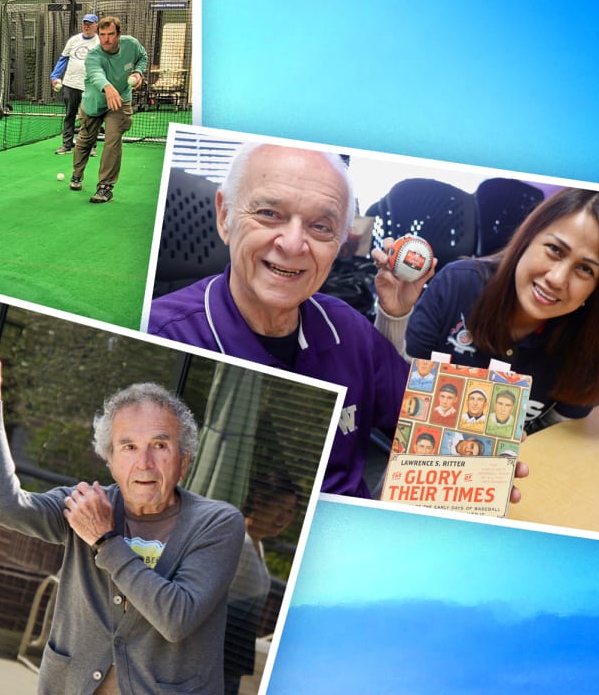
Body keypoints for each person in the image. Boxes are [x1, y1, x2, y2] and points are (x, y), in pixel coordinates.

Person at [0, 339, 242, 695]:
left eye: (160, 445)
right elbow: (3, 506)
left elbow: (177, 617)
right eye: (129, 446)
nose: (145, 462)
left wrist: (105, 540)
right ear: (111, 460)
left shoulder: (217, 523)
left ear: (185, 459)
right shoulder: (85, 504)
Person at [147, 144, 422, 499]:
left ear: (340, 243)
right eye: (269, 213)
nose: (293, 245)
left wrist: (485, 471)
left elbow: (424, 425)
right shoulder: (160, 337)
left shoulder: (347, 327)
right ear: (224, 215)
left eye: (321, 226)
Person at [402, 189, 599, 434]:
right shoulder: (457, 284)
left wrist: (530, 447)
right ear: (528, 239)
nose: (557, 279)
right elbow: (399, 386)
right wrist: (394, 314)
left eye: (585, 269)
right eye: (555, 249)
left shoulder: (589, 343)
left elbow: (556, 436)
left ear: (598, 288)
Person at [222, 474, 299, 695]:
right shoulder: (238, 542)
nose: (284, 518)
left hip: (231, 664)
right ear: (258, 501)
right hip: (214, 664)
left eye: (290, 512)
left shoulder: (257, 544)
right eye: (280, 507)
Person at [68, 15, 147, 204]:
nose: (106, 39)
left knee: (112, 140)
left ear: (119, 34)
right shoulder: (94, 55)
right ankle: (77, 174)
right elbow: (96, 74)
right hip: (94, 102)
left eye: (111, 34)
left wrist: (138, 72)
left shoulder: (131, 45)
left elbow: (142, 58)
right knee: (85, 140)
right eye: (102, 34)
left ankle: (105, 187)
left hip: (120, 101)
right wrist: (108, 87)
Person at [50, 13, 100, 155]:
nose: (87, 26)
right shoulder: (74, 40)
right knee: (69, 115)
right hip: (70, 84)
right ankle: (66, 145)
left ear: (96, 25)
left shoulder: (99, 43)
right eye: (85, 23)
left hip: (90, 87)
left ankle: (90, 146)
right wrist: (55, 76)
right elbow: (63, 59)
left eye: (90, 24)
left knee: (89, 117)